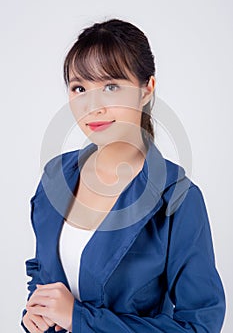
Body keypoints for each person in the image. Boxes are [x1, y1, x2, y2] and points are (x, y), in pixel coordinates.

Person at [21, 18, 225, 333]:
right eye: (79, 88)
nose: (92, 106)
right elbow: (43, 271)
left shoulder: (177, 197)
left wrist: (79, 318)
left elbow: (199, 326)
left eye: (111, 86)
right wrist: (37, 311)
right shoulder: (56, 175)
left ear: (147, 89)